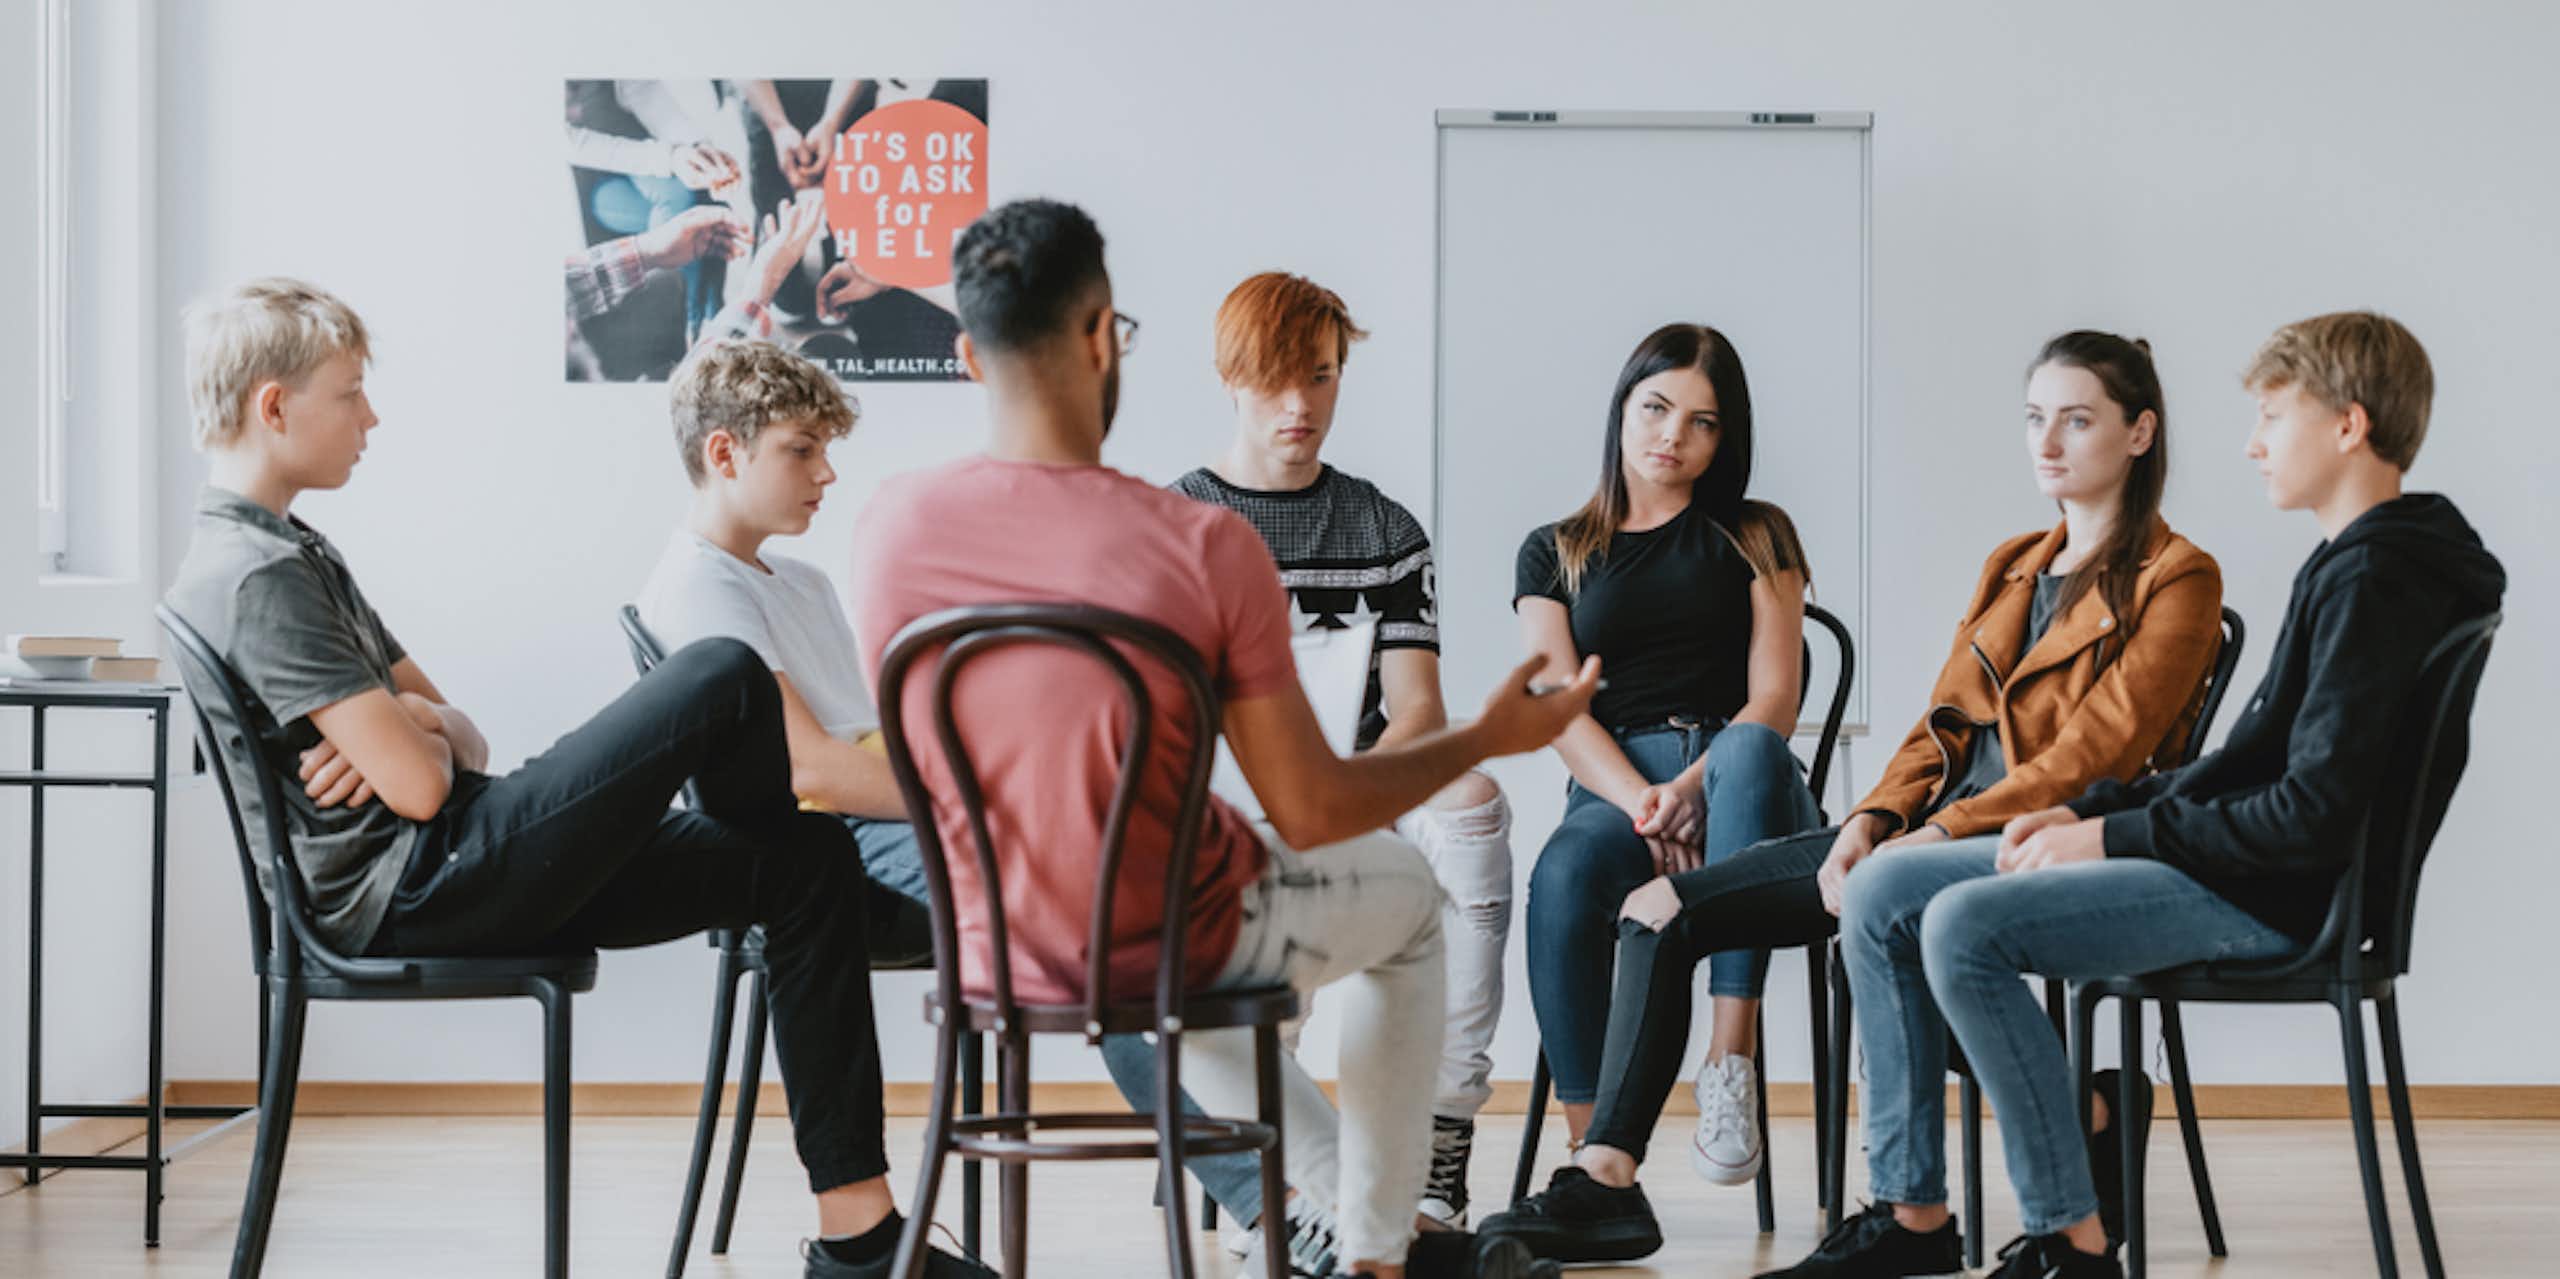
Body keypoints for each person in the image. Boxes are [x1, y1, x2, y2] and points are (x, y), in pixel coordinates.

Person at [163, 278, 986, 1279]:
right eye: (349, 393)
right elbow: (422, 789)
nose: (370, 416)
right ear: (274, 406)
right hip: (421, 883)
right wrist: (416, 736)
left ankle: (858, 1238)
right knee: (718, 673)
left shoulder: (295, 549)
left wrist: (412, 722)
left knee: (803, 858)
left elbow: (449, 727)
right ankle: (883, 909)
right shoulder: (256, 574)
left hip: (454, 847)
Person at [850, 199, 1596, 1279]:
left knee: (1166, 945)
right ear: (1105, 334)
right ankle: (1382, 1249)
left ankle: (1339, 1217)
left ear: (966, 354)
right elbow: (1312, 809)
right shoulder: (1199, 542)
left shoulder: (889, 527)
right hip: (1175, 931)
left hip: (997, 942)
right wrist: (1494, 731)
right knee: (1407, 905)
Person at [1483, 330, 2227, 1264]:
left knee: (1882, 911)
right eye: (2037, 418)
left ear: (2140, 433)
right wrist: (1873, 821)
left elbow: (2095, 752)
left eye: (2077, 420)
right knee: (1656, 905)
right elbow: (1938, 730)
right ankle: (1606, 1180)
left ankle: (1922, 1205)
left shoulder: (2179, 576)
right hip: (1922, 831)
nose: (2048, 441)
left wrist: (1939, 829)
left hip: (2033, 838)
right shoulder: (2013, 564)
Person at [1795, 312, 2504, 1279]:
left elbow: (2311, 813)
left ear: (2348, 424)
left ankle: (2071, 1241)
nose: (2254, 441)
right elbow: (2250, 763)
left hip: (2281, 897)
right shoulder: (2356, 560)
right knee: (1880, 895)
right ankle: (1913, 1213)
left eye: (2272, 415)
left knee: (1964, 927)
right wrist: (2089, 815)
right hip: (2239, 865)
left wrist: (2115, 834)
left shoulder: (2381, 578)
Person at [1091, 271, 1515, 1242]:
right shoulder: (1173, 525)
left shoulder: (1384, 530)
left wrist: (1331, 796)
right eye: (1279, 380)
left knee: (1474, 801)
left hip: (1353, 783)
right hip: (1220, 796)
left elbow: (1415, 713)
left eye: (1321, 378)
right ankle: (1269, 1166)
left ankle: (1441, 1127)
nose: (1300, 404)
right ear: (1229, 378)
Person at [1498, 323, 1820, 1218]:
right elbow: (1559, 706)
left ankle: (1731, 1062)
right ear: (1623, 407)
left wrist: (1692, 788)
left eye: (1702, 422)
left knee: (1753, 747)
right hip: (1617, 784)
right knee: (1563, 872)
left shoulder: (1759, 534)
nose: (1672, 435)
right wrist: (1649, 801)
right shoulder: (1553, 549)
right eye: (1655, 407)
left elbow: (1776, 700)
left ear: (1726, 439)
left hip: (1740, 779)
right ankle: (1594, 1165)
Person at [635, 337, 933, 957]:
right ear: (724, 453)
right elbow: (809, 767)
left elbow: (862, 728)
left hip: (875, 811)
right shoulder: (699, 583)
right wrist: (968, 809)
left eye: (824, 451)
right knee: (1056, 883)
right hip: (825, 836)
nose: (826, 473)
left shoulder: (805, 582)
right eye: (801, 450)